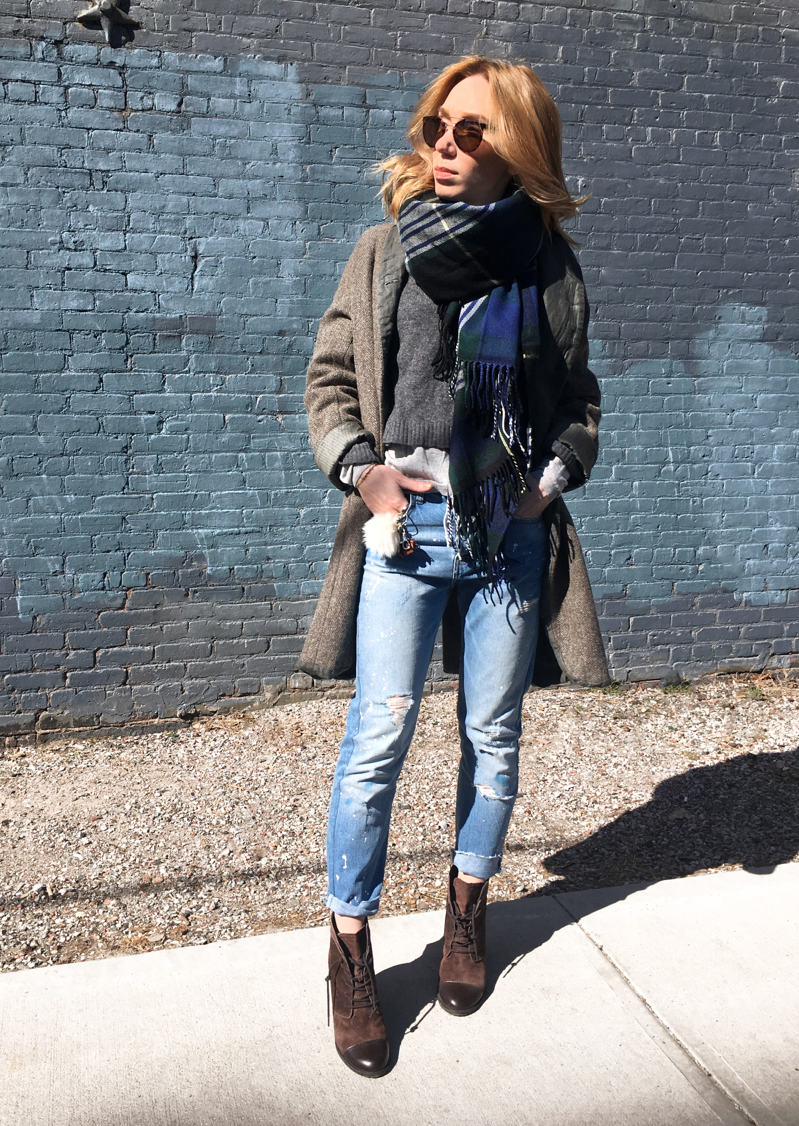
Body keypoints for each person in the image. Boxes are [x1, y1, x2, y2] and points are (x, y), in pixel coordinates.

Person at [300, 56, 609, 1077]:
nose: (444, 140)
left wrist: (546, 483)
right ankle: (349, 950)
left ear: (514, 147)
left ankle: (466, 911)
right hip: (404, 533)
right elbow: (332, 377)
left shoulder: (551, 272)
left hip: (506, 536)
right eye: (439, 122)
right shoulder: (386, 251)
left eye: (471, 130)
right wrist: (363, 474)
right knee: (379, 737)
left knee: (492, 734)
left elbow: (579, 403)